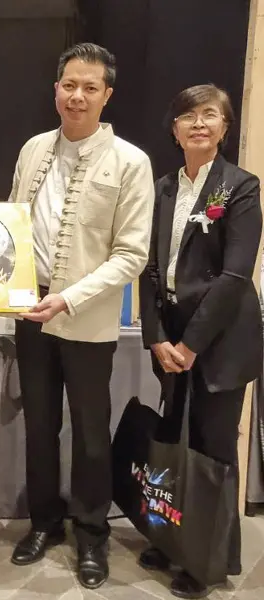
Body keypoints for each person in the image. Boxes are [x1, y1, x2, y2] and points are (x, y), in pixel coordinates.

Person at [0, 43, 154, 589]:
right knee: (39, 426)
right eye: (69, 85)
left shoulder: (130, 162)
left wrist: (70, 297)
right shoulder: (34, 148)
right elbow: (18, 221)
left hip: (87, 317)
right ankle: (44, 522)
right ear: (55, 89)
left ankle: (92, 533)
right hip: (30, 310)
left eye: (90, 87)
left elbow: (132, 254)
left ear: (107, 95)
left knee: (91, 432)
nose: (77, 96)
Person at [138, 84, 263, 599]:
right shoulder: (163, 187)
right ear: (175, 129)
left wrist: (190, 344)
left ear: (224, 128)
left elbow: (234, 276)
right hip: (172, 340)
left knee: (213, 450)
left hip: (219, 341)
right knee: (174, 441)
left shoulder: (240, 187)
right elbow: (148, 269)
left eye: (209, 115)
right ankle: (172, 540)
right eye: (188, 116)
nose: (198, 124)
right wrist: (156, 338)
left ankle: (209, 560)